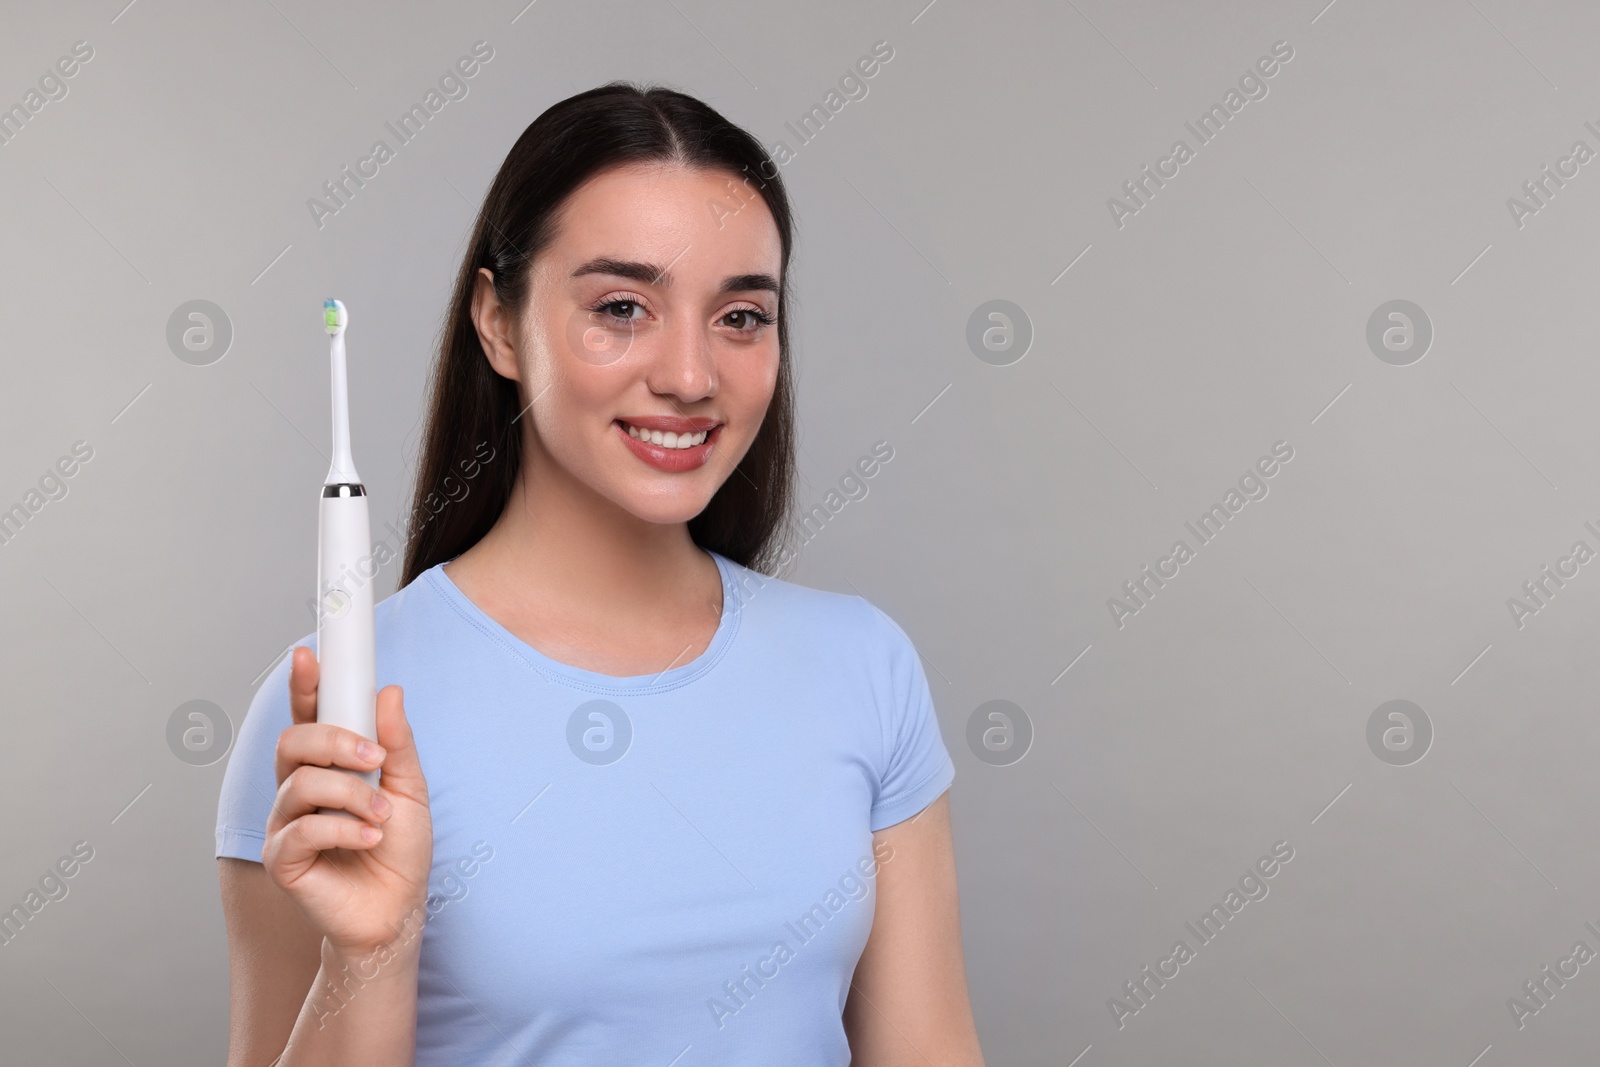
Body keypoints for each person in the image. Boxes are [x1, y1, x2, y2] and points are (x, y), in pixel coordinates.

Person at [215, 81, 985, 1066]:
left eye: (741, 316)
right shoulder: (334, 719)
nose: (690, 373)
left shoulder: (862, 665)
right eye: (621, 307)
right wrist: (370, 952)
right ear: (498, 320)